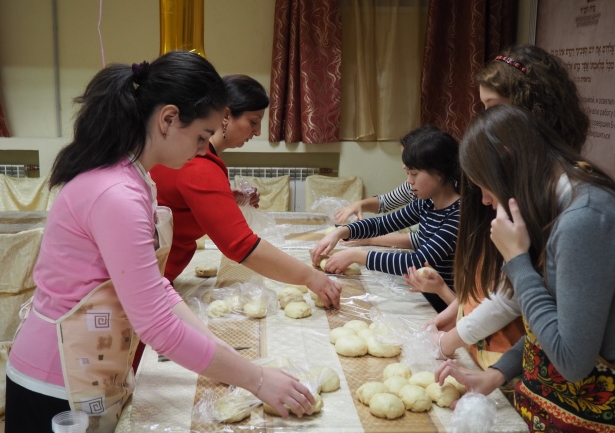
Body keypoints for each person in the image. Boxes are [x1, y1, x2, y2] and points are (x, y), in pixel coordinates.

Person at [5, 52, 315, 433]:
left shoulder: (136, 180)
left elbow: (157, 290)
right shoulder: (116, 193)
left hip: (92, 369)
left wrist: (226, 355)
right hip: (55, 381)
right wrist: (258, 379)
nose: (204, 149)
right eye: (202, 136)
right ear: (168, 119)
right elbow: (157, 326)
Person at [436, 104, 615, 432]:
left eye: (484, 186)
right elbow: (553, 319)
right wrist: (497, 373)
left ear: (507, 160)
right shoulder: (558, 206)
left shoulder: (583, 219)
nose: (486, 201)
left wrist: (517, 262)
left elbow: (573, 360)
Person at [414, 44, 590, 370]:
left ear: (527, 109)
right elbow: (515, 288)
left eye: (491, 106)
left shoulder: (577, 208)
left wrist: (455, 337)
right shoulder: (535, 186)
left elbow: (566, 348)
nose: (484, 200)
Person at [150, 74, 341, 308]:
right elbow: (241, 245)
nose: (258, 131)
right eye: (253, 121)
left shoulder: (198, 161)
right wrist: (310, 277)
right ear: (225, 116)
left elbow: (180, 202)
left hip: (155, 277)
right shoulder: (198, 165)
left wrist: (227, 199)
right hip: (147, 282)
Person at [311, 125, 460, 313]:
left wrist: (357, 255)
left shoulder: (457, 216)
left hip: (446, 307)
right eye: (408, 174)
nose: (409, 181)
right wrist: (342, 231)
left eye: (414, 174)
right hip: (424, 296)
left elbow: (415, 262)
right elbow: (383, 223)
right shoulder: (427, 203)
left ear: (440, 174)